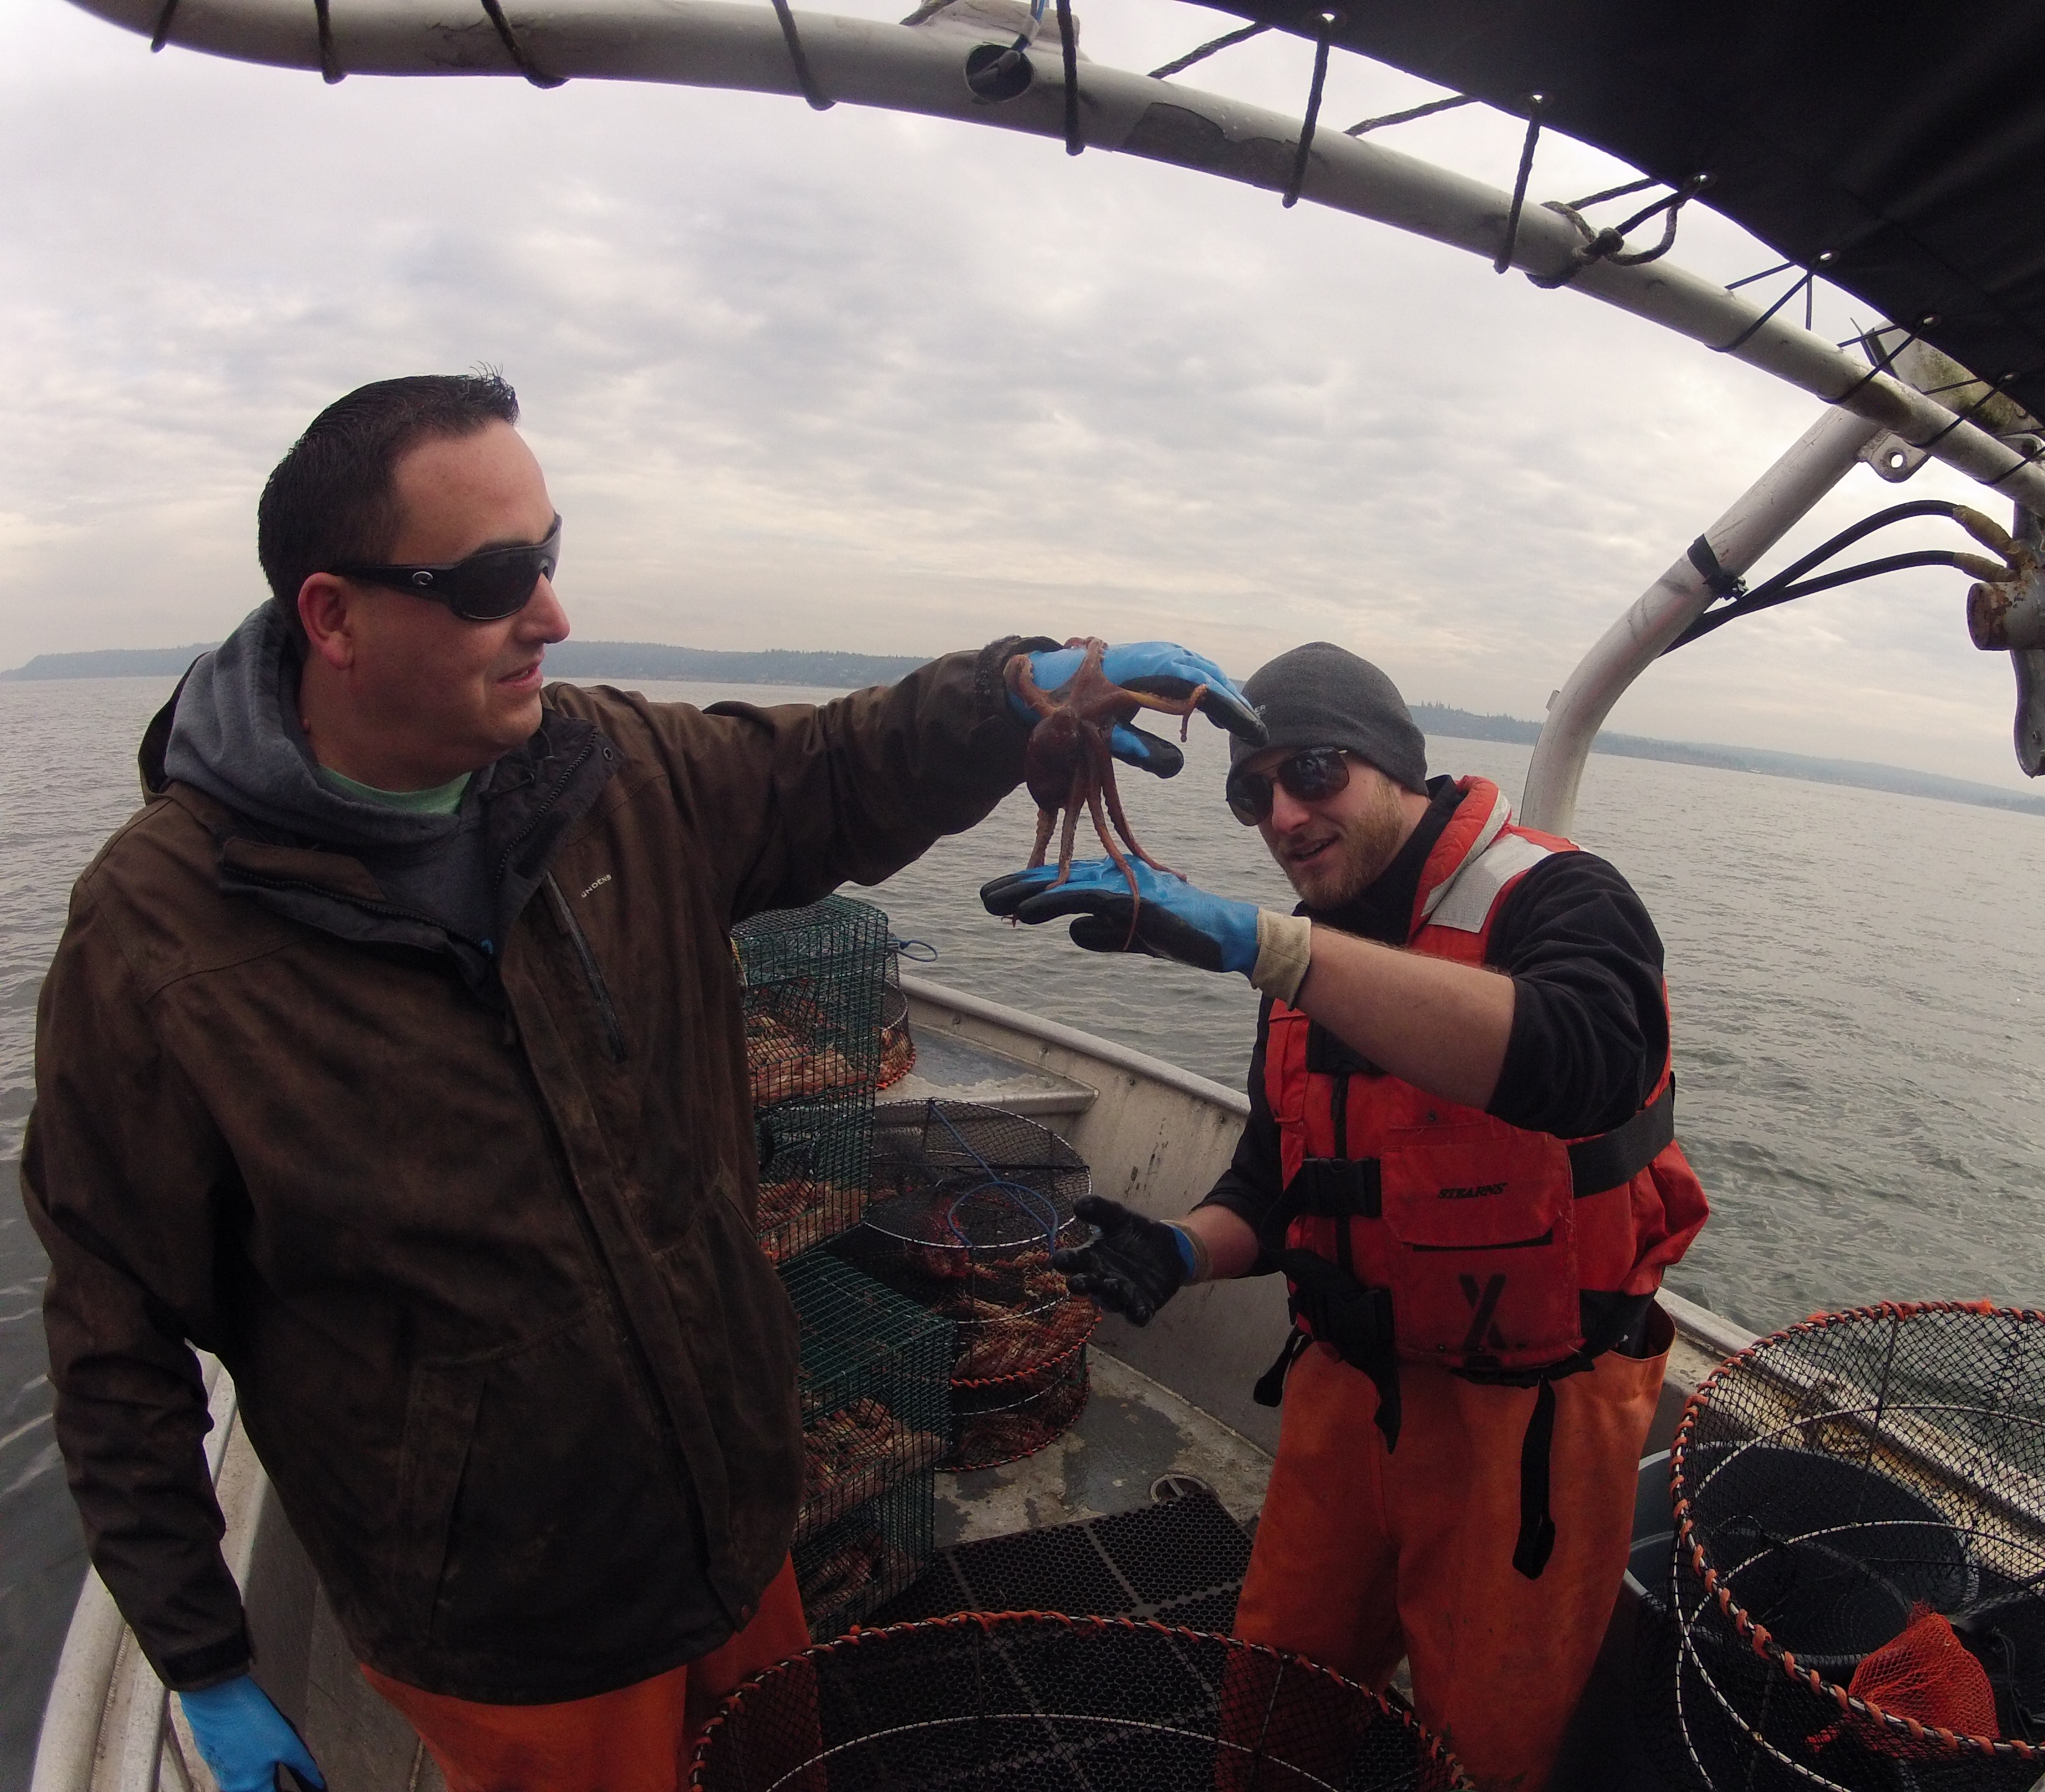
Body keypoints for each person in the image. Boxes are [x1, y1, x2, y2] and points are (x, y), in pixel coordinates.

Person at [22, 371, 1258, 1792]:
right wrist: (207, 1662)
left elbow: (826, 772)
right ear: (334, 616)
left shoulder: (610, 771)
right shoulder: (161, 938)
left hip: (739, 1527)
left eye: (547, 556)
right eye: (494, 580)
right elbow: (114, 1334)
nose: (549, 613)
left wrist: (1010, 693)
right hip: (514, 1626)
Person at [984, 641, 1709, 1792]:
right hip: (1344, 1399)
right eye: (1250, 791)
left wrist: (1272, 949)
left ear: (1396, 769)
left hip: (1524, 1428)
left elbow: (1588, 1060)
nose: (1281, 813)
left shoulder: (1556, 895)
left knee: (1487, 1747)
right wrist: (1180, 1250)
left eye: (1313, 771)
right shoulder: (1301, 952)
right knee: (1275, 1701)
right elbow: (1275, 1187)